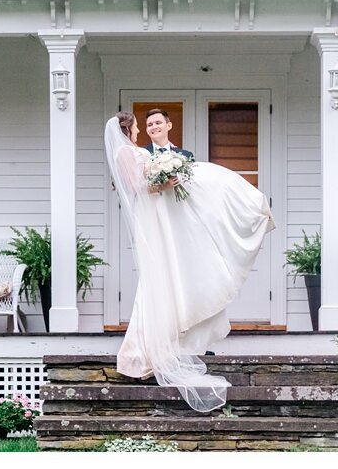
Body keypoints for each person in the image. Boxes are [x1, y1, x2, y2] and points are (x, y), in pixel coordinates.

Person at [104, 111, 275, 412]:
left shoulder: (176, 155)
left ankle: (181, 342)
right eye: (144, 125)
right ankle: (146, 351)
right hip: (155, 223)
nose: (149, 128)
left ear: (169, 125)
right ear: (132, 129)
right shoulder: (132, 153)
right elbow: (135, 187)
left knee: (183, 278)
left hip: (177, 226)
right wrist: (160, 184)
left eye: (157, 123)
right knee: (158, 281)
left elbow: (193, 188)